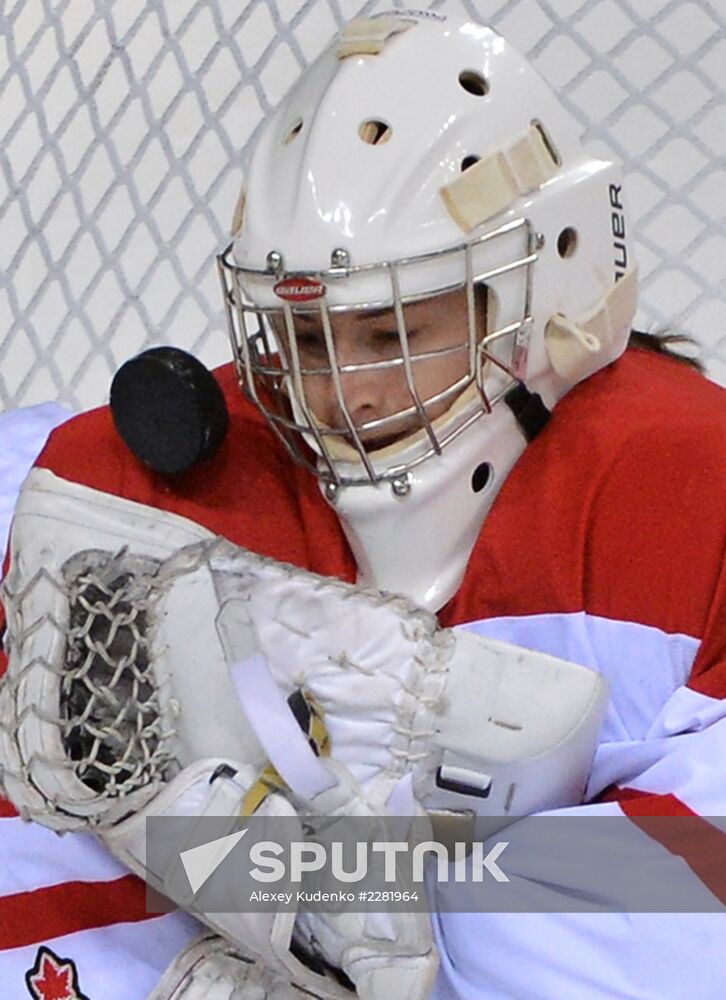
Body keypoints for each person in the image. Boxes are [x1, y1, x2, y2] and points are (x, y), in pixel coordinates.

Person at [1, 9, 725, 999]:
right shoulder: (125, 500)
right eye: (305, 340)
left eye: (391, 333)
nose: (343, 393)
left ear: (542, 287)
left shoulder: (682, 490)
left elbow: (694, 898)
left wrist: (332, 894)